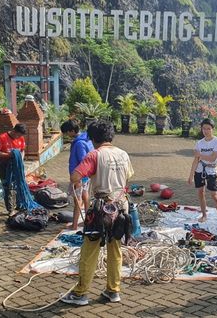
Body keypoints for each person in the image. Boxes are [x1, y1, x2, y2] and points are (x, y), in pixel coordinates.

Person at [61, 120, 134, 306]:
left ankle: (80, 294)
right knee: (115, 250)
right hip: (121, 208)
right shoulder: (124, 154)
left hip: (101, 210)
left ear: (93, 138)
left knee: (89, 251)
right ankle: (113, 290)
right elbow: (129, 176)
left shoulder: (95, 155)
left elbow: (75, 176)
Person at [188, 118, 217, 228]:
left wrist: (199, 155)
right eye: (204, 128)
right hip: (199, 170)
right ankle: (204, 215)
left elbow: (213, 158)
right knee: (200, 193)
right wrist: (191, 175)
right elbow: (195, 160)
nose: (206, 131)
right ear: (201, 129)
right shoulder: (199, 143)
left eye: (208, 129)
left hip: (211, 170)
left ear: (212, 129)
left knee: (214, 195)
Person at [60, 119, 94, 230]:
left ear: (72, 131)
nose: (66, 135)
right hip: (86, 176)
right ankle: (87, 222)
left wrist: (77, 178)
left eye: (66, 132)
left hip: (79, 176)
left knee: (77, 200)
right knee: (85, 197)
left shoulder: (79, 143)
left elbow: (83, 161)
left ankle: (74, 225)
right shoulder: (86, 139)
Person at [0, 123, 27, 215]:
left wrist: (20, 160)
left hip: (16, 166)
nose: (19, 137)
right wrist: (9, 155)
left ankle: (20, 205)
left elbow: (22, 150)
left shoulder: (21, 138)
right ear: (14, 131)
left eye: (21, 136)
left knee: (18, 185)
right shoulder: (2, 138)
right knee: (7, 187)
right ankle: (10, 209)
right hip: (4, 166)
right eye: (18, 135)